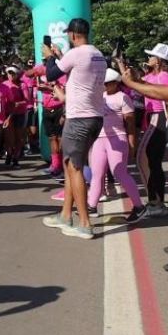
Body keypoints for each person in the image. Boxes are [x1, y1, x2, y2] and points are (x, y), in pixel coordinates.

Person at [41, 18, 107, 239]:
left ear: (73, 35)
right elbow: (79, 74)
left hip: (79, 118)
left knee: (75, 167)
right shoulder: (97, 54)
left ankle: (85, 223)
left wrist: (50, 56)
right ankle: (65, 214)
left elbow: (51, 75)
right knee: (72, 165)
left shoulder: (77, 53)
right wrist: (60, 57)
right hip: (95, 117)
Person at [117, 59, 168, 273]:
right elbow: (152, 86)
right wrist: (130, 75)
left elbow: (163, 94)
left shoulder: (166, 77)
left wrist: (133, 83)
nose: (149, 59)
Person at [86, 68, 145, 223]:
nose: (104, 86)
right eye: (102, 83)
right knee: (97, 174)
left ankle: (139, 207)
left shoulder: (123, 98)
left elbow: (130, 123)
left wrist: (132, 142)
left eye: (107, 83)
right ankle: (91, 206)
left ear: (115, 83)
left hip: (117, 139)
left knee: (120, 173)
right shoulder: (100, 96)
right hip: (100, 139)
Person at [137, 43, 168, 217]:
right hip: (150, 118)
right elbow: (137, 85)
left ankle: (156, 201)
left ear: (159, 60)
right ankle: (156, 201)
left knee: (145, 159)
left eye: (152, 56)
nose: (149, 58)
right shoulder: (150, 75)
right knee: (151, 162)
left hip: (158, 118)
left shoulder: (164, 76)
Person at [3, 65, 31, 168]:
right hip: (7, 114)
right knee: (9, 137)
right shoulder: (4, 84)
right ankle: (9, 153)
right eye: (9, 73)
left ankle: (15, 157)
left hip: (19, 114)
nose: (10, 75)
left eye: (12, 73)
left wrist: (18, 104)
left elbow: (27, 100)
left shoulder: (22, 85)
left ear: (17, 74)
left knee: (18, 137)